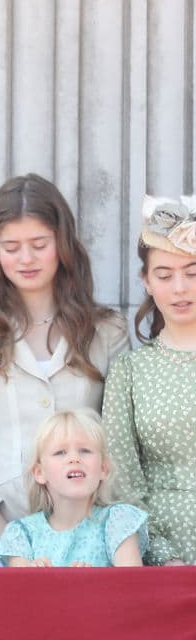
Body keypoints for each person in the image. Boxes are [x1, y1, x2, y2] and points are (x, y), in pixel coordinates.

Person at [0, 174, 129, 547]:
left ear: (64, 244)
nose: (26, 259)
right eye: (11, 246)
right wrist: (11, 539)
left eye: (39, 244)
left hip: (89, 537)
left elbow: (118, 446)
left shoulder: (107, 331)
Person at [103, 194, 196, 566]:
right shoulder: (129, 371)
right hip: (159, 558)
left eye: (192, 273)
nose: (179, 288)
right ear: (146, 281)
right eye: (164, 274)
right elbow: (122, 482)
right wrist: (161, 555)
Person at [0, 409, 147, 567]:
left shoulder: (119, 521)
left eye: (85, 450)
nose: (74, 458)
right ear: (40, 473)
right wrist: (36, 579)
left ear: (103, 468)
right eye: (60, 452)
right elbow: (19, 589)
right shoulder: (22, 534)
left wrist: (92, 584)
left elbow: (131, 586)